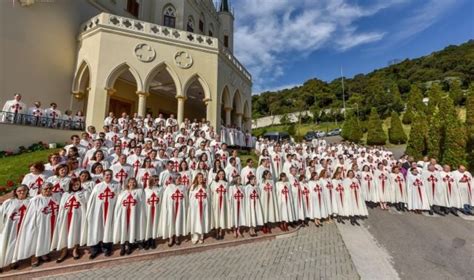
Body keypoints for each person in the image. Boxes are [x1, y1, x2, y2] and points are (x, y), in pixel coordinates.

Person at [13, 183, 58, 267]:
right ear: (41, 189)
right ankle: (34, 256)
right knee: (36, 239)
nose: (48, 190)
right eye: (45, 189)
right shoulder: (36, 199)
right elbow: (31, 215)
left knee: (45, 238)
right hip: (38, 224)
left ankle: (43, 253)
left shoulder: (55, 197)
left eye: (50, 188)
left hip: (51, 222)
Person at [51, 178, 89, 262]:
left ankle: (75, 249)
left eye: (77, 184)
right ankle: (64, 250)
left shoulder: (83, 193)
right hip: (66, 216)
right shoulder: (65, 194)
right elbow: (62, 206)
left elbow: (85, 204)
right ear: (70, 185)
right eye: (74, 184)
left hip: (77, 216)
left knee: (75, 231)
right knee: (64, 232)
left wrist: (80, 198)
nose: (75, 186)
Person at [86, 169, 121, 259]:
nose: (108, 176)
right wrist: (91, 211)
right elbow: (92, 199)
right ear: (103, 176)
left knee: (108, 228)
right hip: (98, 211)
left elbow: (119, 197)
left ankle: (107, 248)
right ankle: (95, 249)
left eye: (110, 175)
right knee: (97, 229)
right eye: (106, 175)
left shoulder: (117, 185)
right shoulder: (98, 186)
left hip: (111, 211)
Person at [0, 185, 29, 271]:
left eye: (24, 190)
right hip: (10, 227)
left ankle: (13, 261)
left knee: (16, 245)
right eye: (19, 191)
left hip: (23, 227)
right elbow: (1, 214)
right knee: (4, 245)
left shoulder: (30, 202)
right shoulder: (9, 202)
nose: (22, 192)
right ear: (15, 192)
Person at [113, 178, 145, 256]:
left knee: (131, 229)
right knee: (123, 229)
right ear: (127, 183)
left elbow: (141, 204)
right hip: (124, 214)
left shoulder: (139, 191)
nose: (132, 183)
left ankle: (129, 246)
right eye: (130, 182)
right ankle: (122, 247)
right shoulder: (123, 193)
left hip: (134, 214)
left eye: (134, 182)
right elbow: (118, 205)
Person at [158, 174, 187, 246]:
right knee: (171, 222)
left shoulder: (183, 187)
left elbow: (185, 198)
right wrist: (166, 208)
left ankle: (177, 237)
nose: (179, 179)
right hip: (171, 208)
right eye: (177, 178)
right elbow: (165, 199)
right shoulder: (169, 187)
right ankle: (171, 238)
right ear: (174, 179)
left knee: (178, 222)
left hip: (180, 208)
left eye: (180, 178)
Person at [187, 172, 211, 244]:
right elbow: (190, 198)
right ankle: (195, 236)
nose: (201, 179)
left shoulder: (205, 186)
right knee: (195, 221)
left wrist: (206, 204)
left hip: (203, 207)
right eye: (199, 177)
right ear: (196, 178)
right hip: (195, 208)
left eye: (202, 177)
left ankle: (201, 236)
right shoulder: (193, 186)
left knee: (202, 221)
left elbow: (208, 197)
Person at [143, 175, 163, 250]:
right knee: (148, 225)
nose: (157, 181)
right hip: (148, 210)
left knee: (155, 225)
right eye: (155, 179)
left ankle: (153, 240)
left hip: (157, 209)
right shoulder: (146, 189)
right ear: (151, 180)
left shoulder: (161, 189)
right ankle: (147, 240)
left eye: (158, 179)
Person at [209, 169, 229, 239]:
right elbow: (211, 193)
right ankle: (216, 232)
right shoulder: (214, 183)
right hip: (216, 203)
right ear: (217, 175)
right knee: (216, 217)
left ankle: (221, 232)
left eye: (223, 174)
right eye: (220, 174)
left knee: (222, 217)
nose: (221, 175)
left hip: (223, 203)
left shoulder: (226, 183)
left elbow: (227, 194)